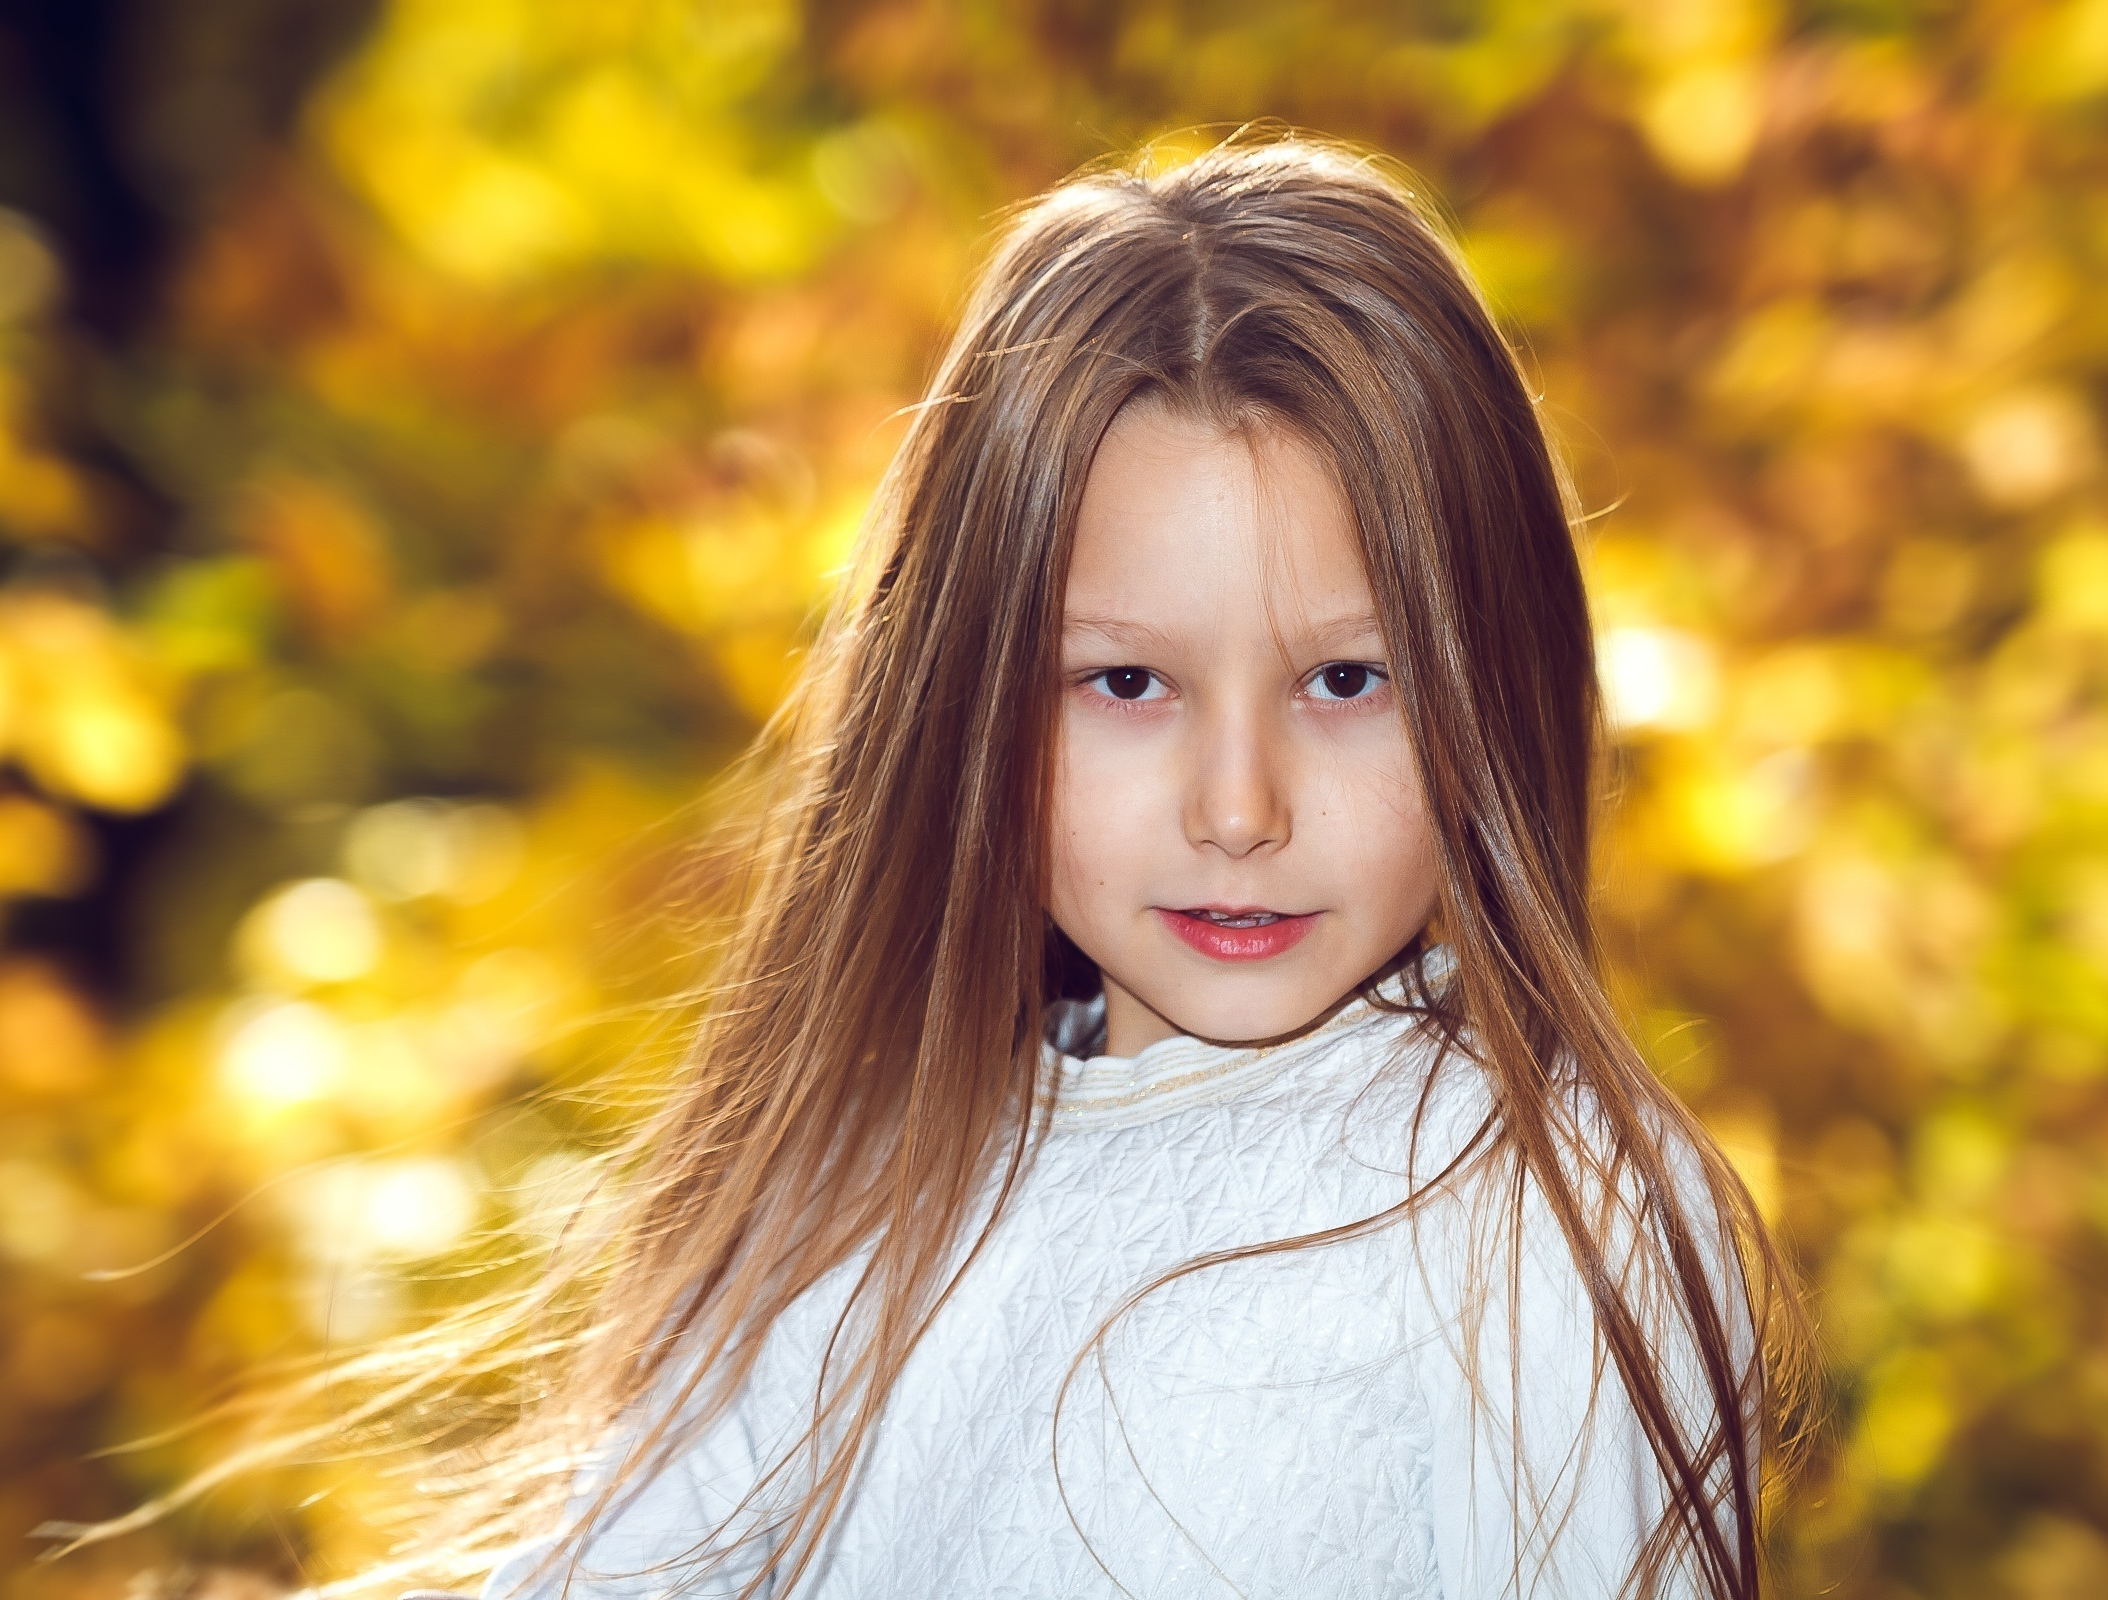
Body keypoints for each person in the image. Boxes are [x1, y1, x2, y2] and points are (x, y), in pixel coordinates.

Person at [454, 133, 1788, 1599]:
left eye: (1347, 682)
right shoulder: (855, 1187)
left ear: (1497, 685)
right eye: (1128, 685)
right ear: (969, 699)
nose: (1238, 809)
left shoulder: (1538, 1214)